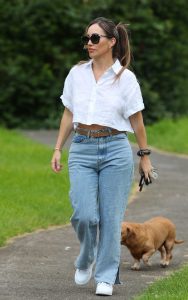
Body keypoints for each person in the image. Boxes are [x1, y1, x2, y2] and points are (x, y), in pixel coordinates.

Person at [51, 17, 153, 297]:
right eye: (86, 38)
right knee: (84, 214)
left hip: (116, 150)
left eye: (95, 38)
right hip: (82, 147)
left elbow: (138, 121)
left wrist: (144, 156)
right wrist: (59, 147)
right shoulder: (77, 74)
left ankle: (106, 276)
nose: (89, 44)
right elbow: (69, 113)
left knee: (111, 218)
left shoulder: (126, 79)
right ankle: (85, 257)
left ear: (112, 42)